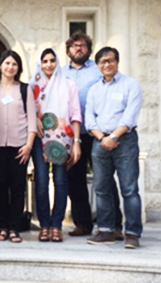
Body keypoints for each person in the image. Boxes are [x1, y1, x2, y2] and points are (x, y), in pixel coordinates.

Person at [62, 32, 123, 238]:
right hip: (71, 134)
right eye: (74, 45)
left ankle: (114, 224)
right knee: (75, 179)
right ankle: (83, 224)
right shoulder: (61, 73)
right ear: (68, 50)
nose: (78, 48)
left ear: (88, 49)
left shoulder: (97, 71)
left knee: (104, 178)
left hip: (96, 132)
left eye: (82, 45)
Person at [85, 47, 143, 249]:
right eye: (102, 62)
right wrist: (103, 138)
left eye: (110, 61)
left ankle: (133, 233)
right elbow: (89, 118)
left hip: (124, 140)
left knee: (129, 189)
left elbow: (130, 116)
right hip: (100, 142)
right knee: (102, 188)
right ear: (98, 66)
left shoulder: (131, 85)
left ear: (117, 62)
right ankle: (106, 230)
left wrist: (114, 136)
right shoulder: (94, 89)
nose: (106, 65)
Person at [30, 48, 81, 242]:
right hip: (40, 140)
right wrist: (35, 118)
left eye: (52, 60)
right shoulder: (33, 85)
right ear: (40, 63)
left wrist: (76, 141)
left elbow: (76, 114)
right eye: (45, 61)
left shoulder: (69, 84)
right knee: (41, 182)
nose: (49, 64)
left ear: (57, 62)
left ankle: (57, 225)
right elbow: (28, 110)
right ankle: (44, 224)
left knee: (60, 181)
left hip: (62, 139)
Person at [0, 50, 37, 243]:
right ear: (0, 65)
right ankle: (2, 227)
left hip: (20, 146)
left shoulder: (25, 90)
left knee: (18, 187)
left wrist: (28, 146)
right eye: (7, 63)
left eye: (14, 64)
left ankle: (15, 228)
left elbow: (32, 121)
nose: (10, 67)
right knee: (0, 187)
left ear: (18, 68)